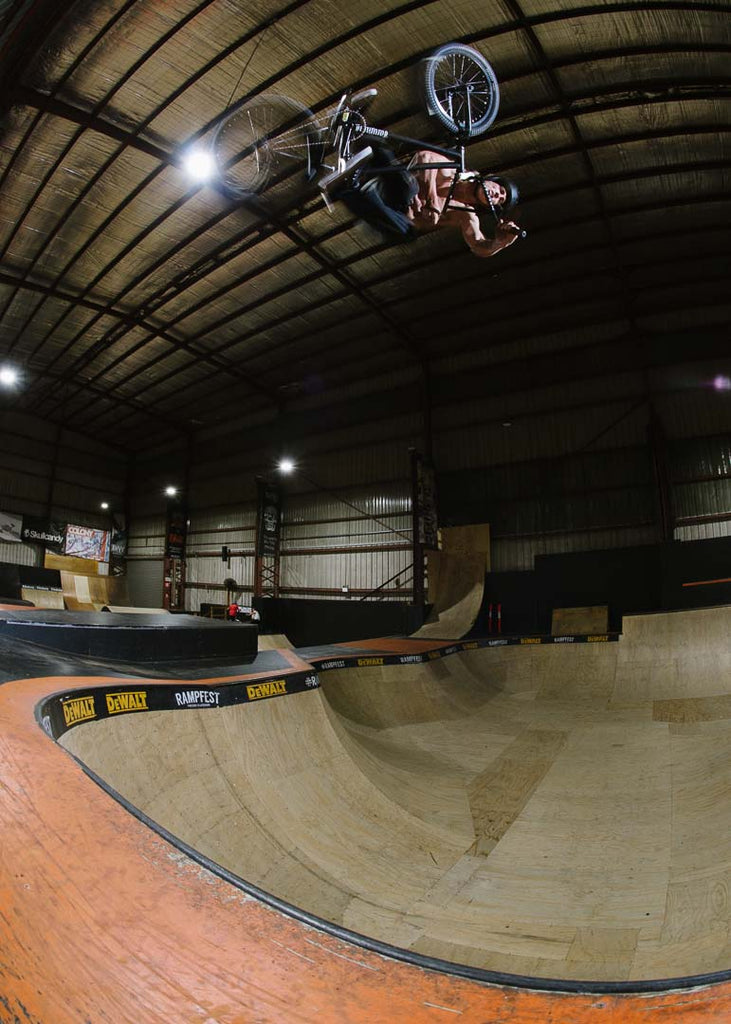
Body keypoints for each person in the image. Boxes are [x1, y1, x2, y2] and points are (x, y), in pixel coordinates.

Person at [332, 145, 522, 258]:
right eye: (500, 190)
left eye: (499, 201)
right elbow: (425, 156)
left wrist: (499, 243)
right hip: (392, 181)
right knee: (410, 189)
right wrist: (432, 201)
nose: (497, 195)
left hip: (388, 210)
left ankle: (348, 192)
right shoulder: (457, 173)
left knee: (408, 234)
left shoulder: (465, 214)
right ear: (492, 180)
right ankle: (370, 144)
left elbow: (478, 243)